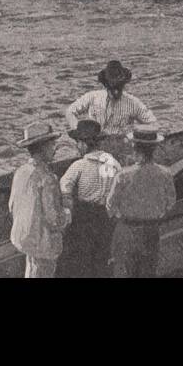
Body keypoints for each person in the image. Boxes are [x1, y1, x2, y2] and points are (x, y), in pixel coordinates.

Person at [105, 127, 176, 278]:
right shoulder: (166, 175)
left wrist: (120, 216)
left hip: (127, 230)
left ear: (134, 148)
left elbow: (110, 205)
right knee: (147, 272)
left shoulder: (123, 175)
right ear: (154, 149)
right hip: (151, 231)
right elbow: (170, 203)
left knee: (123, 272)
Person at [57, 119, 121, 278]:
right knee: (102, 257)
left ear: (85, 144)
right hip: (105, 217)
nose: (78, 146)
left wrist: (68, 207)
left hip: (84, 218)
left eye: (78, 142)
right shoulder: (114, 164)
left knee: (82, 259)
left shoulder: (79, 165)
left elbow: (64, 186)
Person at [8, 122, 70, 278]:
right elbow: (54, 220)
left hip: (24, 240)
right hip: (43, 246)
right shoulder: (48, 178)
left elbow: (11, 206)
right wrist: (67, 213)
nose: (55, 148)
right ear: (41, 148)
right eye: (51, 144)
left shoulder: (21, 172)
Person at [66, 60, 158, 138]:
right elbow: (70, 111)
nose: (116, 92)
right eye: (113, 88)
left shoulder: (133, 103)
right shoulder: (92, 97)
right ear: (106, 85)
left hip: (119, 146)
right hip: (93, 144)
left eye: (119, 87)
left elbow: (154, 125)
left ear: (124, 84)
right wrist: (79, 130)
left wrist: (135, 128)